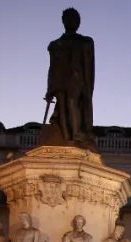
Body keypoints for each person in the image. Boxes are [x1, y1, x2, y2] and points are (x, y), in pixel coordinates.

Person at [45, 7, 95, 147]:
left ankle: (76, 133)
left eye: (76, 19)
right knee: (61, 107)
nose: (73, 22)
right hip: (59, 79)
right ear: (63, 21)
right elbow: (52, 67)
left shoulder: (85, 41)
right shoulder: (55, 45)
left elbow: (89, 65)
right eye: (70, 18)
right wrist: (49, 88)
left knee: (72, 102)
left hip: (76, 78)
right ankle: (68, 137)